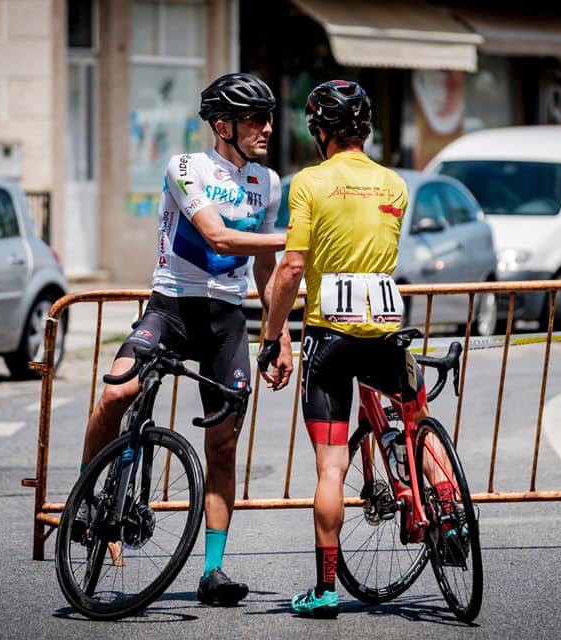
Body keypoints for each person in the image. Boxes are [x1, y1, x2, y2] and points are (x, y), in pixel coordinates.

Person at [80, 72, 292, 606]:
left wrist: (279, 333)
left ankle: (213, 572)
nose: (268, 127)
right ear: (223, 125)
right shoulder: (185, 167)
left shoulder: (268, 183)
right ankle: (85, 500)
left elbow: (264, 269)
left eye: (269, 117)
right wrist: (303, 236)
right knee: (116, 395)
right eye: (255, 119)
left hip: (225, 318)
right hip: (172, 307)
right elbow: (218, 235)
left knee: (223, 447)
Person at [258, 80, 444, 618]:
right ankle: (447, 510)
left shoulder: (309, 183)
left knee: (331, 468)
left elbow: (292, 267)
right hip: (385, 332)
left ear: (320, 132)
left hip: (330, 337)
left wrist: (272, 338)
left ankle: (324, 591)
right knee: (415, 416)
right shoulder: (394, 184)